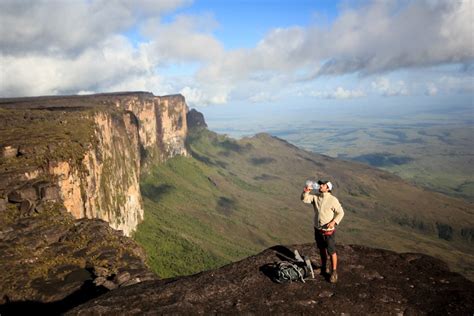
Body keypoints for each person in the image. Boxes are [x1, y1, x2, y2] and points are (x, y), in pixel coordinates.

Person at [301, 180, 344, 283]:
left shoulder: (333, 200)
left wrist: (334, 222)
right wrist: (306, 192)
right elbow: (304, 199)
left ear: (328, 188)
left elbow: (341, 212)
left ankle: (334, 272)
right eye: (320, 184)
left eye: (323, 185)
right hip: (318, 229)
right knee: (321, 249)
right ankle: (324, 267)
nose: (320, 186)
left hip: (328, 231)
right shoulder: (316, 197)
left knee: (331, 251)